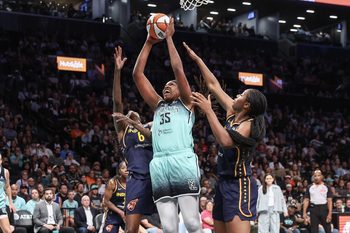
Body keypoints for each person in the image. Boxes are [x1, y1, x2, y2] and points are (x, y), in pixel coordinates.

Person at [184, 43, 267, 233]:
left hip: (239, 184)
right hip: (224, 183)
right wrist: (197, 59)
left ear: (246, 105)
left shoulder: (249, 125)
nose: (236, 95)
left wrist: (208, 110)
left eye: (241, 95)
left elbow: (225, 141)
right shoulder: (233, 112)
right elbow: (213, 85)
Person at [133, 18, 201, 233]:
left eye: (171, 84)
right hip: (160, 163)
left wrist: (169, 38)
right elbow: (137, 75)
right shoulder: (158, 105)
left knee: (191, 223)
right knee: (169, 228)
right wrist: (149, 43)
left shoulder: (188, 103)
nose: (166, 86)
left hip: (182, 159)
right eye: (165, 85)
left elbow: (178, 68)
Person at [111, 46, 154, 233]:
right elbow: (117, 102)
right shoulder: (124, 130)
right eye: (127, 114)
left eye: (133, 112)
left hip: (157, 177)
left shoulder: (150, 126)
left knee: (169, 224)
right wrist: (117, 72)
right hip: (136, 179)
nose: (131, 112)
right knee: (131, 230)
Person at [103, 161, 127, 233]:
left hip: (128, 215)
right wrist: (120, 212)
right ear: (119, 170)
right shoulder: (113, 182)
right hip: (113, 215)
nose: (126, 170)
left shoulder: (134, 182)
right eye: (123, 168)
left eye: (128, 167)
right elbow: (106, 201)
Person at [0, 153, 15, 233]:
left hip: (1, 204)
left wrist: (11, 203)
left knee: (7, 231)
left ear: (1, 161)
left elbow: (7, 186)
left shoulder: (5, 172)